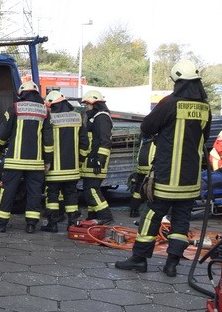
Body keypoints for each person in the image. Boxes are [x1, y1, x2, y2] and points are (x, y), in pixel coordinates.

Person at [116, 60, 212, 276]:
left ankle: (139, 259)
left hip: (167, 176)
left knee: (151, 215)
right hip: (190, 179)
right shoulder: (205, 107)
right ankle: (172, 264)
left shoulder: (169, 103)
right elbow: (204, 139)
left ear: (178, 81)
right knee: (181, 220)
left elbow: (147, 127)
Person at [0, 80, 50, 234]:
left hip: (14, 161)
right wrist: (47, 160)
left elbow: (3, 133)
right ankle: (31, 225)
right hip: (36, 162)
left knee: (8, 190)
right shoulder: (44, 111)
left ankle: (0, 224)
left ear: (21, 94)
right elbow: (48, 140)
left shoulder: (15, 108)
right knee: (34, 192)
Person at [40, 90, 87, 232]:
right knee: (71, 195)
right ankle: (72, 223)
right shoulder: (77, 117)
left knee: (52, 195)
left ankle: (52, 224)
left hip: (54, 168)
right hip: (72, 169)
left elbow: (45, 141)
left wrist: (45, 161)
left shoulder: (50, 118)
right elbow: (84, 143)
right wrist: (80, 161)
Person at [79, 90, 114, 224]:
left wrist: (100, 159)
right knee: (89, 189)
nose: (86, 107)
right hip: (92, 159)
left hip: (97, 160)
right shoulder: (95, 117)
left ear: (95, 104)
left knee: (91, 189)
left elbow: (105, 140)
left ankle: (105, 215)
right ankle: (92, 215)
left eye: (88, 104)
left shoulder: (102, 117)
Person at [128, 135, 155, 218]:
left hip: (141, 167)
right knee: (152, 190)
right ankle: (152, 212)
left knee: (138, 190)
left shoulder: (144, 138)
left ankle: (133, 210)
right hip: (151, 167)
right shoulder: (157, 138)